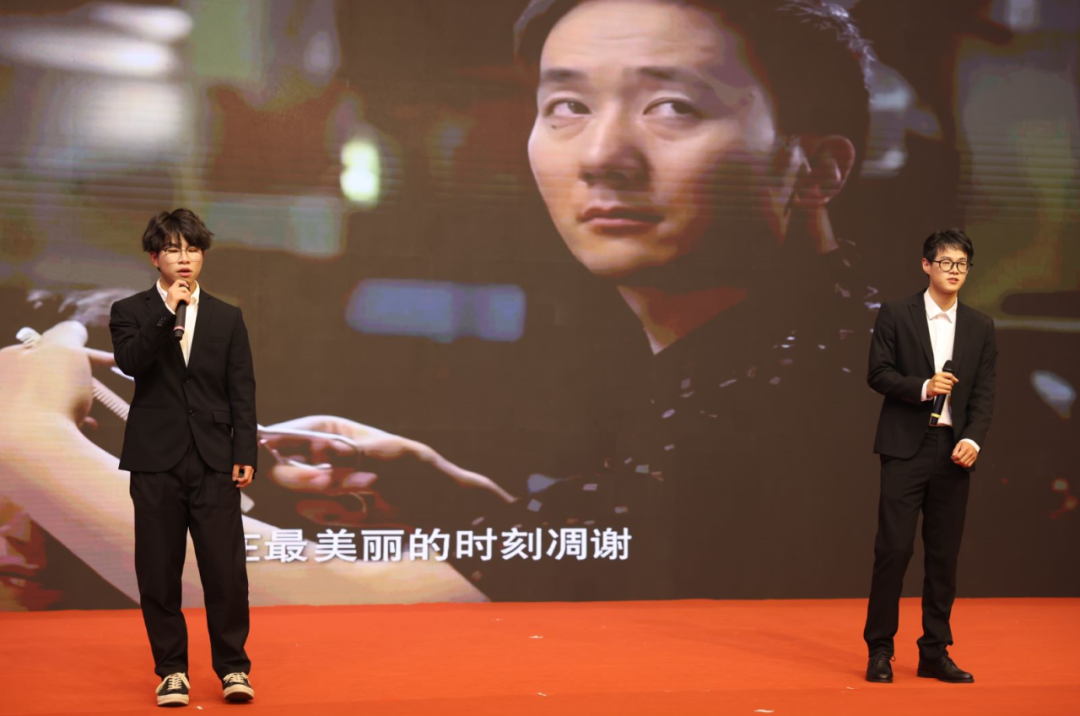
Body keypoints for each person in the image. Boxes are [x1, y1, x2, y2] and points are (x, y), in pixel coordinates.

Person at [262, 0, 881, 600]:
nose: (601, 157)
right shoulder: (805, 350)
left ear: (818, 168)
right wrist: (449, 501)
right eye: (568, 107)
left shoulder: (807, 400)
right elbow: (641, 561)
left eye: (673, 107)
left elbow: (360, 601)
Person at [109, 209, 258, 706]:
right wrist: (166, 310)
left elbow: (241, 388)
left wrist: (244, 449)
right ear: (155, 257)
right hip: (155, 459)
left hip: (214, 459)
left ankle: (233, 668)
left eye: (192, 249)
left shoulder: (226, 316)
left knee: (226, 573)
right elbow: (131, 362)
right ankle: (172, 670)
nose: (185, 258)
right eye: (173, 249)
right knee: (158, 571)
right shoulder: (130, 310)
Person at [862, 228, 996, 684]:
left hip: (953, 452)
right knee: (894, 549)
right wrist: (924, 386)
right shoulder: (896, 313)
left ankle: (935, 652)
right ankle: (880, 649)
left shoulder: (980, 325)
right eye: (946, 262)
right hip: (905, 448)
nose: (954, 271)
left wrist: (973, 440)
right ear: (927, 265)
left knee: (943, 556)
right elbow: (877, 373)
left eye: (962, 264)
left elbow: (984, 394)